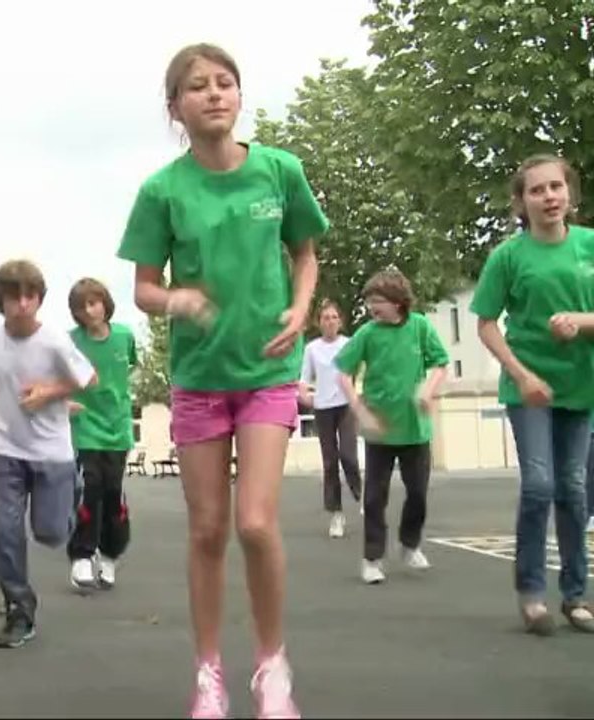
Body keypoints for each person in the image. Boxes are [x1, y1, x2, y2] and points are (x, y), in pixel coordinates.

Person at [116, 43, 327, 719]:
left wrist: (299, 307)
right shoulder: (162, 190)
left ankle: (272, 666)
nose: (213, 94)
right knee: (207, 529)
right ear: (176, 107)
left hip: (267, 368)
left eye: (225, 83)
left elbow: (305, 252)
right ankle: (208, 672)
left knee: (256, 523)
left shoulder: (279, 171)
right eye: (197, 86)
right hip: (200, 375)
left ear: (239, 95)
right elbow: (144, 288)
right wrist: (177, 301)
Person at [471, 153, 594, 635]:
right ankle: (531, 594)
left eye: (556, 188)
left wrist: (581, 322)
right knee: (541, 484)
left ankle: (576, 596)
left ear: (570, 193)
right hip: (529, 389)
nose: (549, 197)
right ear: (521, 201)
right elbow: (484, 324)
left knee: (575, 488)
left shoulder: (589, 245)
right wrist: (521, 374)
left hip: (580, 386)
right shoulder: (508, 256)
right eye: (537, 190)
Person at [0, 259, 97, 649]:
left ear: (39, 299)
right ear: (0, 300)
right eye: (13, 296)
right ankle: (19, 610)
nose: (22, 303)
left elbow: (89, 379)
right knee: (6, 532)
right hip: (6, 452)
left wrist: (50, 393)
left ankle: (74, 488)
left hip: (52, 453)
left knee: (51, 532)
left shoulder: (54, 340)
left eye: (30, 295)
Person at [334, 270, 448, 585]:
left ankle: (410, 544)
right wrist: (358, 408)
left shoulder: (420, 327)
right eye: (369, 301)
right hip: (380, 430)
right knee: (374, 497)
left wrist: (429, 389)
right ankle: (372, 558)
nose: (372, 307)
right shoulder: (367, 334)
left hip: (415, 429)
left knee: (418, 494)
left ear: (398, 302)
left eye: (378, 301)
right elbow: (343, 373)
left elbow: (441, 364)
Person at [63, 278, 138, 590]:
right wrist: (62, 401)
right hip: (85, 426)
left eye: (94, 303)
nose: (89, 311)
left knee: (112, 493)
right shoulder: (70, 341)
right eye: (82, 307)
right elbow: (55, 373)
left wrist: (121, 397)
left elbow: (131, 367)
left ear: (105, 302)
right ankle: (82, 555)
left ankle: (109, 554)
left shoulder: (124, 336)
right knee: (89, 488)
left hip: (117, 428)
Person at [299, 299, 361, 538]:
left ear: (340, 321)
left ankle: (358, 490)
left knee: (348, 454)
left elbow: (359, 367)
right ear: (319, 322)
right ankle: (336, 513)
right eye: (326, 317)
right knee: (330, 462)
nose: (330, 321)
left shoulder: (349, 344)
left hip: (345, 406)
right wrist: (304, 394)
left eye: (334, 317)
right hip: (323, 408)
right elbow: (304, 378)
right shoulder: (312, 348)